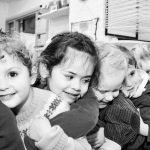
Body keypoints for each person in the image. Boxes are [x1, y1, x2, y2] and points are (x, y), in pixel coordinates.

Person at [0, 32, 100, 150]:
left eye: (12, 74)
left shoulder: (57, 108)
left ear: (32, 75)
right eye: (70, 76)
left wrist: (50, 138)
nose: (2, 85)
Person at [87, 43, 140, 150]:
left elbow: (113, 145)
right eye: (103, 91)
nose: (110, 97)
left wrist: (103, 135)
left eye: (116, 90)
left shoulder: (121, 111)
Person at [120, 43, 150, 150]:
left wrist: (144, 129)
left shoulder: (145, 97)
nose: (128, 83)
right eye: (147, 72)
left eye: (132, 74)